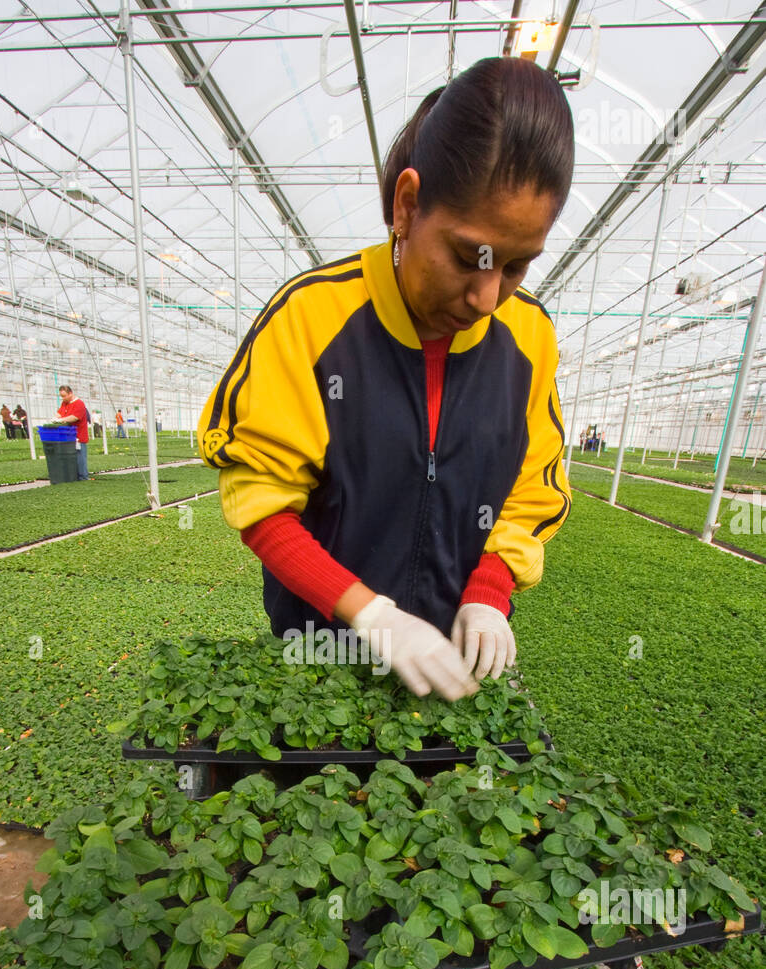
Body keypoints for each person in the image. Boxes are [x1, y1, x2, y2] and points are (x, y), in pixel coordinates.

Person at [198, 58, 573, 699]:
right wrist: (370, 614)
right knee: (314, 794)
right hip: (320, 665)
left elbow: (530, 491)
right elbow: (263, 504)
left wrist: (488, 590)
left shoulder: (528, 339)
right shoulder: (313, 319)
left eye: (516, 267)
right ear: (407, 205)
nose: (487, 296)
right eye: (469, 257)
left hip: (450, 674)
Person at [56, 384, 91, 480]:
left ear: (70, 393)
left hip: (78, 436)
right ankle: (74, 476)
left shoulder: (79, 403)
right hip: (68, 435)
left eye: (64, 396)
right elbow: (59, 413)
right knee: (71, 458)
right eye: (61, 396)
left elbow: (74, 417)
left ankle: (83, 477)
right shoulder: (64, 403)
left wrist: (61, 420)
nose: (63, 398)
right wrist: (55, 418)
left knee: (80, 458)